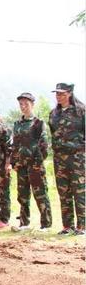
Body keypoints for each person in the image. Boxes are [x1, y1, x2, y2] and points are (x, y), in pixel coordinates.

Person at [10, 93, 52, 232]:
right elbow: (15, 145)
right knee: (22, 196)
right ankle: (24, 223)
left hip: (35, 166)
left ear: (32, 105)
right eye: (21, 104)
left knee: (40, 195)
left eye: (26, 104)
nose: (23, 107)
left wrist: (38, 163)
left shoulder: (38, 123)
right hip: (21, 166)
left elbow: (44, 145)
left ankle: (45, 224)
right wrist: (13, 162)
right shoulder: (17, 124)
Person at [48, 83, 85, 235]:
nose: (58, 96)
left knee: (80, 191)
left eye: (61, 93)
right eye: (57, 93)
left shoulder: (81, 111)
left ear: (69, 93)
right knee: (64, 192)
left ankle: (82, 227)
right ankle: (67, 226)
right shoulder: (53, 113)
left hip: (77, 158)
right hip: (59, 159)